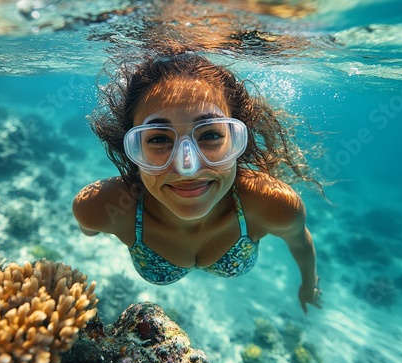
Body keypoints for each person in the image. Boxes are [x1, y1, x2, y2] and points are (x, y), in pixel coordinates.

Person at [73, 52, 322, 313]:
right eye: (158, 139)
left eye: (211, 134)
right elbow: (88, 229)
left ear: (237, 141)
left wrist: (308, 284)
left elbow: (301, 242)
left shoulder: (274, 204)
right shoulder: (99, 208)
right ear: (132, 150)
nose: (187, 168)